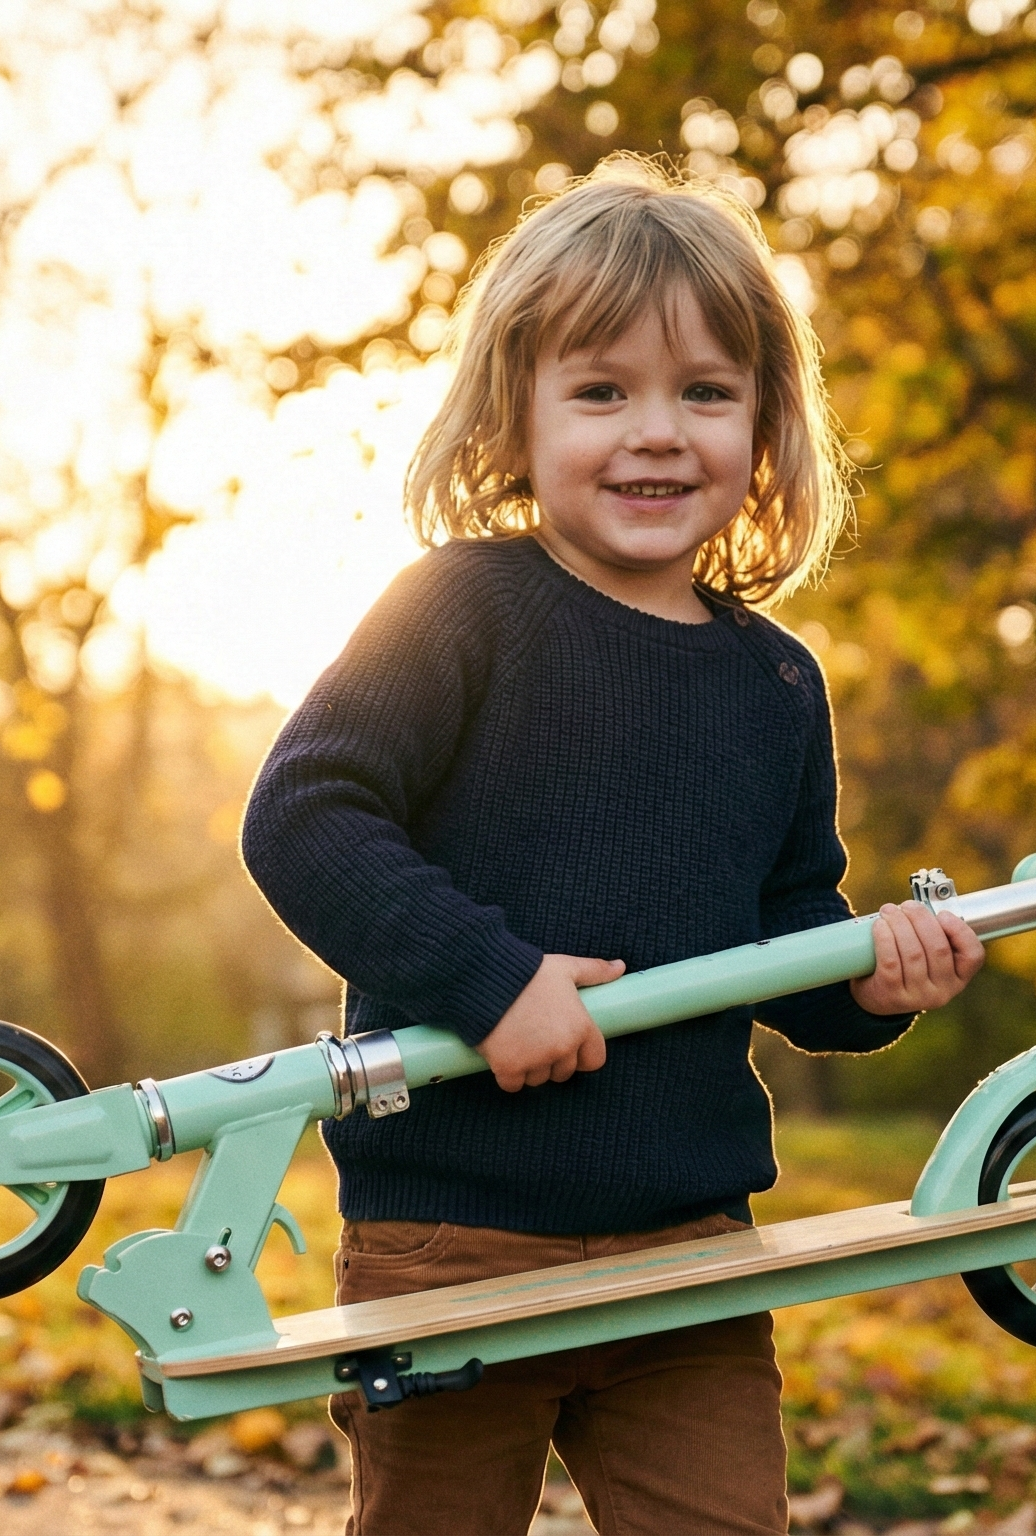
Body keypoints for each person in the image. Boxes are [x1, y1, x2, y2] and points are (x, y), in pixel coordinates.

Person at [241, 155, 986, 1536]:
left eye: (704, 391)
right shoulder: (458, 610)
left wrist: (871, 984)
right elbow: (304, 817)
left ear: (765, 424)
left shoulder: (774, 685)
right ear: (512, 418)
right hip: (450, 1239)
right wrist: (490, 980)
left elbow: (779, 937)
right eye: (601, 391)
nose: (656, 431)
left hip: (686, 1249)